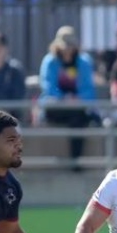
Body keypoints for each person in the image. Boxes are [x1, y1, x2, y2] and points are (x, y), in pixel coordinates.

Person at [39, 27, 97, 166]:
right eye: (65, 45)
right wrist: (63, 98)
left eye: (70, 45)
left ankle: (75, 161)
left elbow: (89, 89)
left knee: (79, 118)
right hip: (56, 107)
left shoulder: (84, 62)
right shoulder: (50, 61)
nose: (67, 49)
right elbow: (48, 87)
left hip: (77, 108)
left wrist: (77, 99)